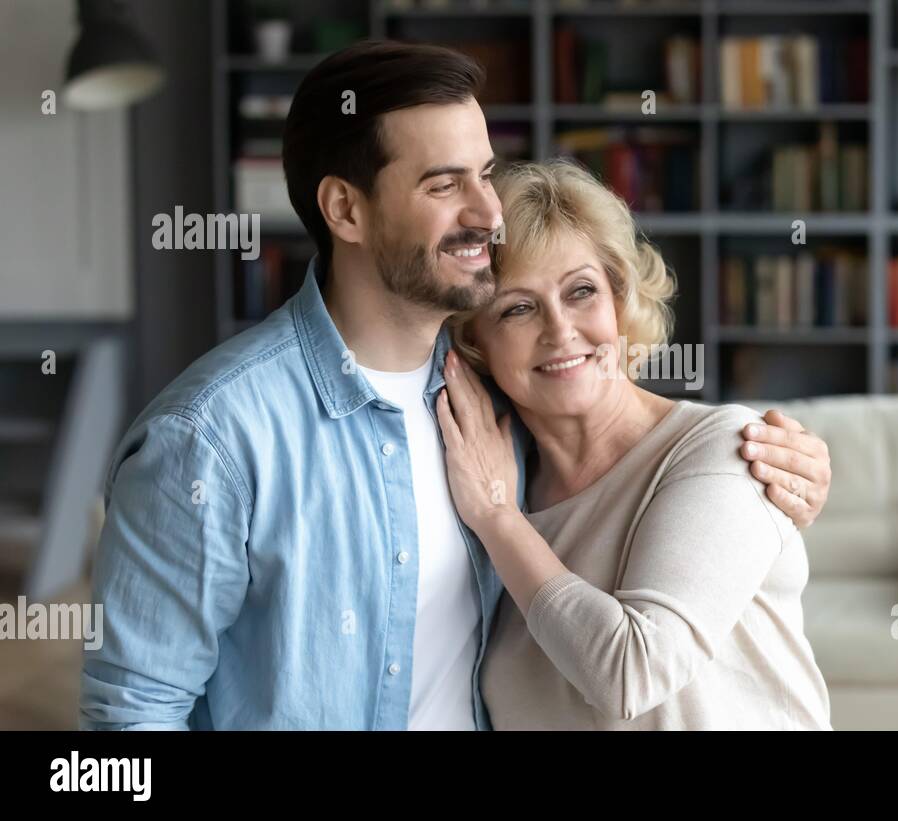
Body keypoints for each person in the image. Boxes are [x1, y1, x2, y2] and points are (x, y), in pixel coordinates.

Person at [80, 40, 833, 730]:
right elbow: (131, 716)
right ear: (345, 208)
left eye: (484, 175)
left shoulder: (496, 416)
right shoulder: (213, 436)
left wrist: (791, 469)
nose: (486, 212)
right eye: (445, 184)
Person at [438, 159, 833, 729]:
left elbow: (633, 672)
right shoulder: (497, 476)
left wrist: (498, 518)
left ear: (620, 302)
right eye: (518, 307)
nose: (559, 329)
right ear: (475, 343)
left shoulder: (723, 448)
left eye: (581, 291)